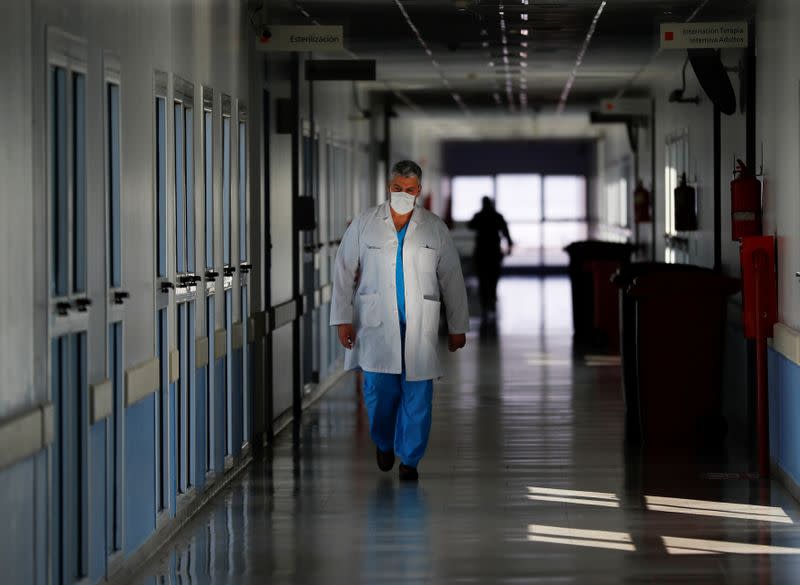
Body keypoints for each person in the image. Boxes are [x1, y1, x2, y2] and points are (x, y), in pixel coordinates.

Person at [330, 160, 469, 481]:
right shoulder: (365, 224)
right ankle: (383, 441)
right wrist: (342, 318)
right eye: (397, 188)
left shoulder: (434, 227)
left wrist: (458, 326)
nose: (402, 194)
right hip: (375, 324)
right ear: (388, 187)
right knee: (379, 394)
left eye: (409, 190)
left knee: (418, 396)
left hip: (419, 325)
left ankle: (410, 459)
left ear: (418, 191)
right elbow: (343, 272)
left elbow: (451, 278)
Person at [467, 197, 513, 319]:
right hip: (494, 251)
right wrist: (509, 246)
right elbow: (506, 232)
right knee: (493, 277)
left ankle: (484, 302)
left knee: (482, 278)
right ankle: (491, 299)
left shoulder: (479, 215)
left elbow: (470, 226)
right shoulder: (497, 216)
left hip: (482, 251)